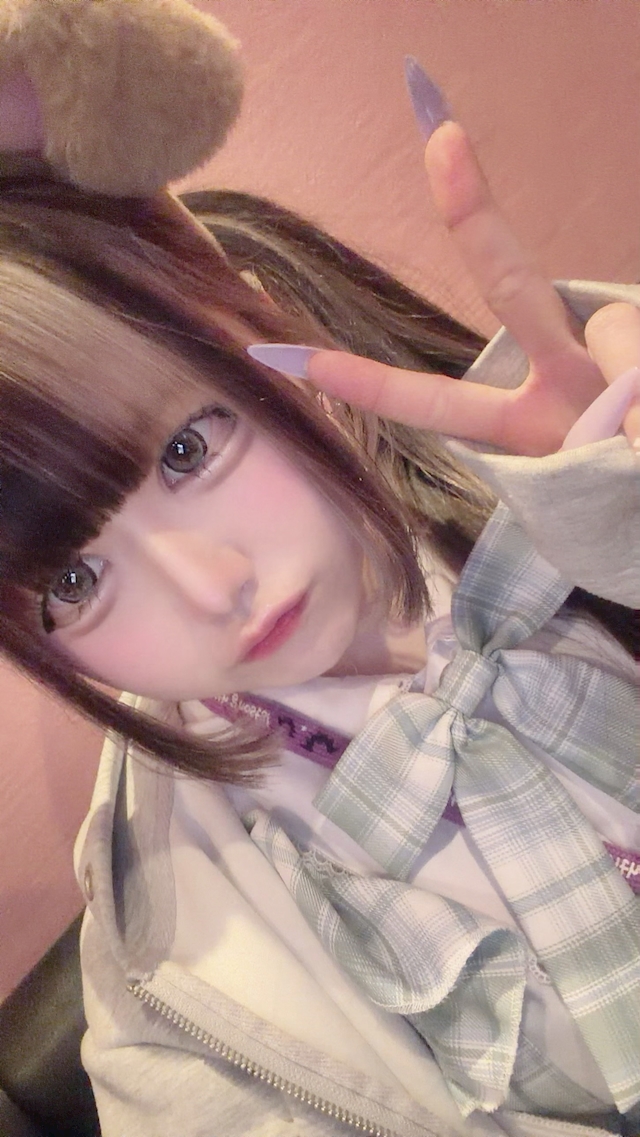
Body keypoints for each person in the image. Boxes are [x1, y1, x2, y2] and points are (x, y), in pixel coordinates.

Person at [0, 4, 638, 1136]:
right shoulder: (174, 994)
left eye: (187, 451)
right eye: (73, 585)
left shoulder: (565, 468)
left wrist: (617, 517)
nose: (211, 591)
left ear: (247, 308)